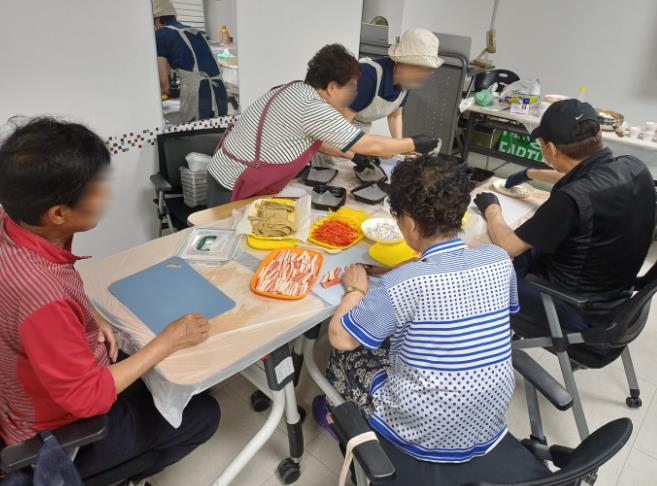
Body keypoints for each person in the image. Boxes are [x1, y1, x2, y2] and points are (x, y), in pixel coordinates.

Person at [0, 117, 219, 482]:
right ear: (58, 213)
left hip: (38, 384)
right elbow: (87, 397)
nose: (106, 195)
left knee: (181, 375)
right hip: (60, 433)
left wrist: (89, 314)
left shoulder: (14, 221)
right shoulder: (42, 297)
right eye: (97, 188)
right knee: (204, 414)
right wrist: (169, 339)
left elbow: (50, 291)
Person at [314, 155, 518, 468]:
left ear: (408, 221)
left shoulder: (402, 284)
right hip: (487, 418)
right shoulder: (498, 259)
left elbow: (340, 338)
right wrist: (406, 267)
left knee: (344, 356)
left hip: (422, 430)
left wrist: (355, 288)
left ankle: (339, 419)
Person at [474, 99, 656, 336]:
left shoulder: (571, 199)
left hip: (573, 307)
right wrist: (530, 173)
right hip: (613, 297)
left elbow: (509, 245)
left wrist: (491, 208)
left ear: (550, 149)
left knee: (480, 275)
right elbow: (586, 174)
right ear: (599, 134)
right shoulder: (635, 167)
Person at [206, 44, 439, 206]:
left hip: (228, 171)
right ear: (332, 87)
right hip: (233, 182)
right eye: (351, 88)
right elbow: (369, 144)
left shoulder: (295, 89)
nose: (354, 95)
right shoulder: (312, 108)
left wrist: (355, 156)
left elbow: (322, 143)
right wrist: (413, 143)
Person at [350, 28, 442, 136]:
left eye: (425, 70)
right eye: (418, 68)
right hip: (339, 127)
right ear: (400, 61)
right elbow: (343, 120)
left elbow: (395, 116)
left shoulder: (404, 82)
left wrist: (400, 144)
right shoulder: (368, 76)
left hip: (359, 129)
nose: (420, 76)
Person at [153, 0, 228, 123]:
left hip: (199, 95)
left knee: (195, 134)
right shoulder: (195, 31)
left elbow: (164, 82)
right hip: (220, 91)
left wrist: (166, 89)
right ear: (174, 16)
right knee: (219, 131)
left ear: (157, 19)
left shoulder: (160, 35)